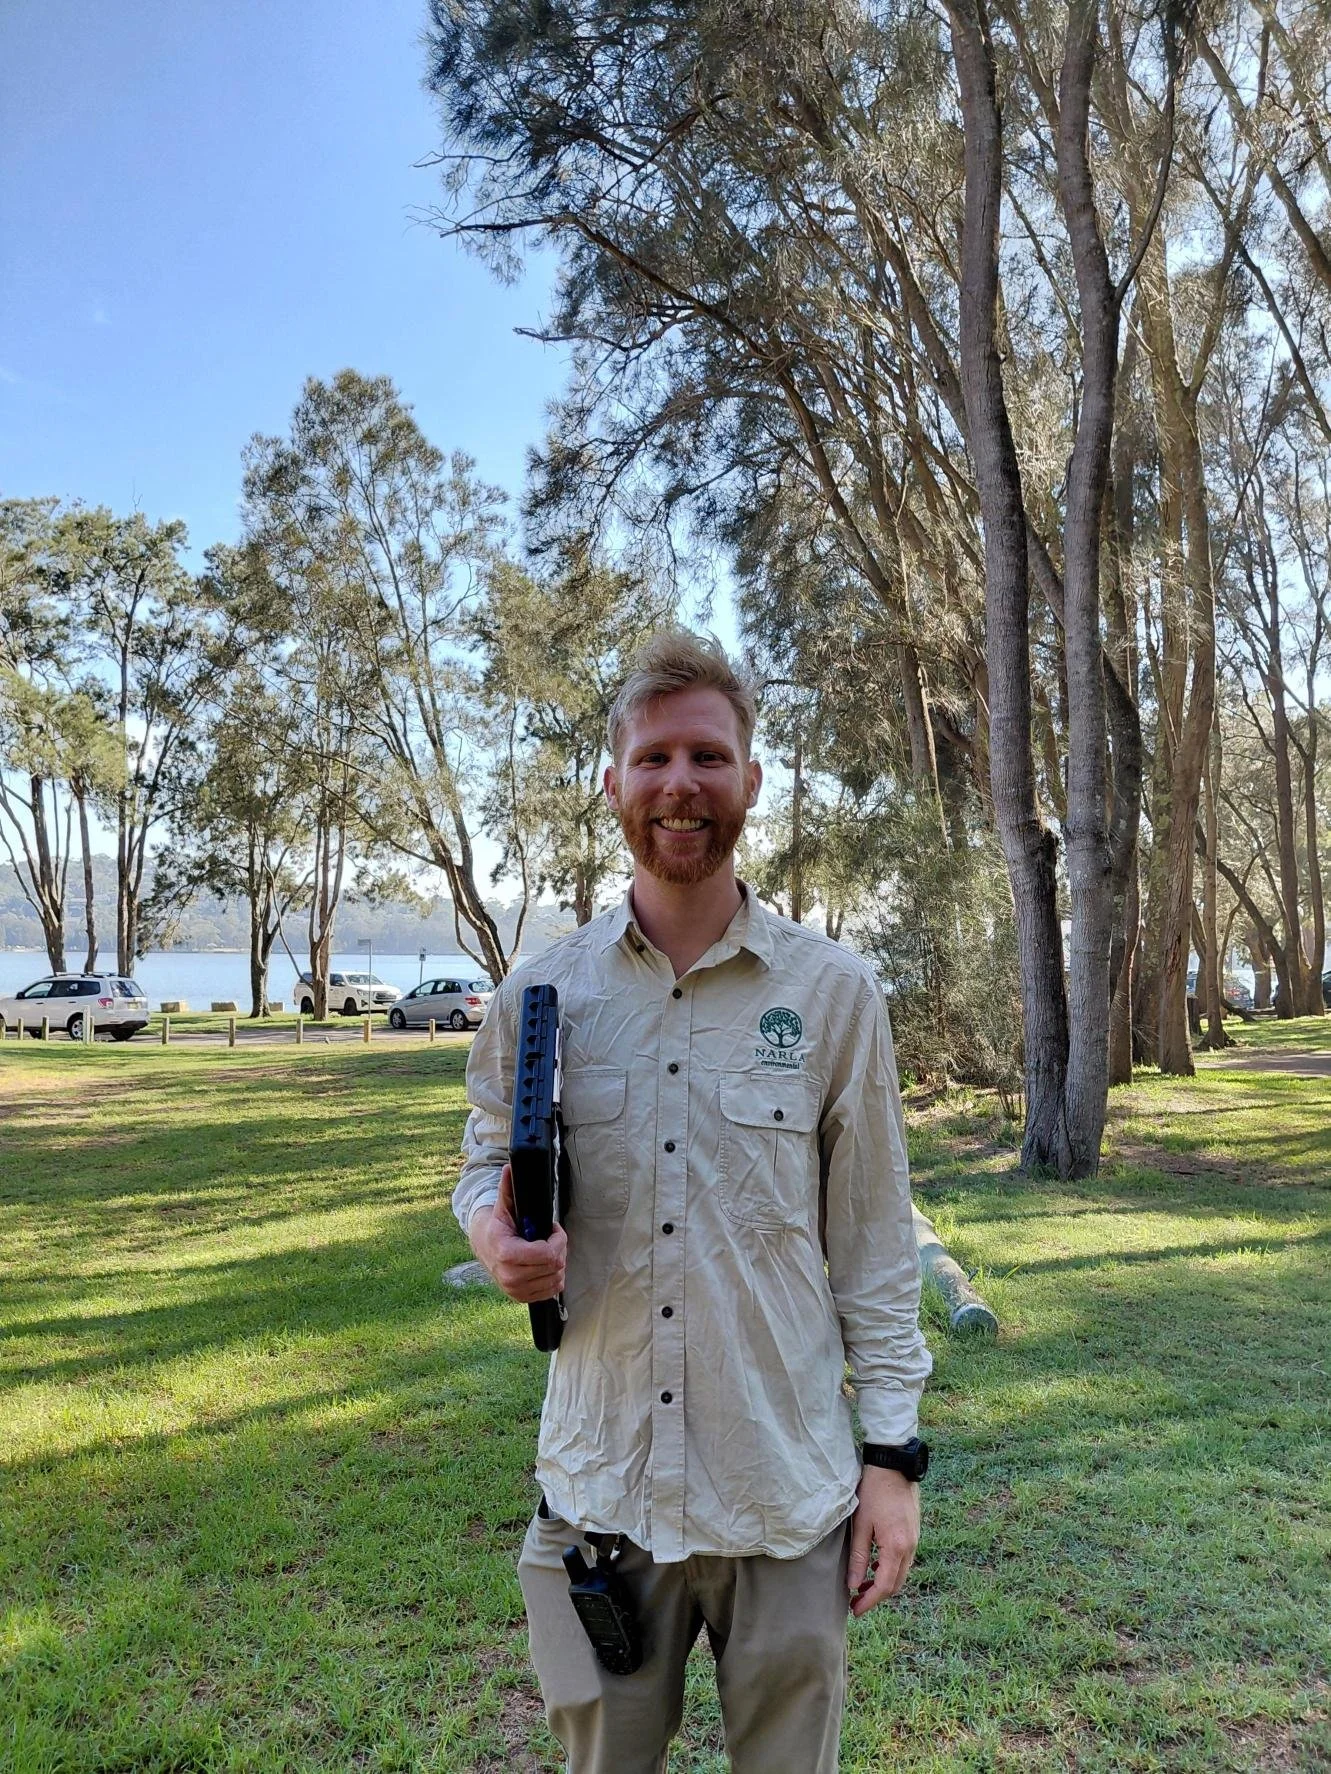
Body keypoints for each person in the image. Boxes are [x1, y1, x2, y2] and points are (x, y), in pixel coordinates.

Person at [454, 630, 932, 1774]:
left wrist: (891, 1462)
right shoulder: (540, 991)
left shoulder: (832, 995)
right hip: (600, 1494)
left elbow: (872, 1242)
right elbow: (481, 1161)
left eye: (708, 756)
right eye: (654, 756)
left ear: (750, 781)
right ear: (613, 781)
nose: (681, 784)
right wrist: (492, 1231)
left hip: (786, 1499)